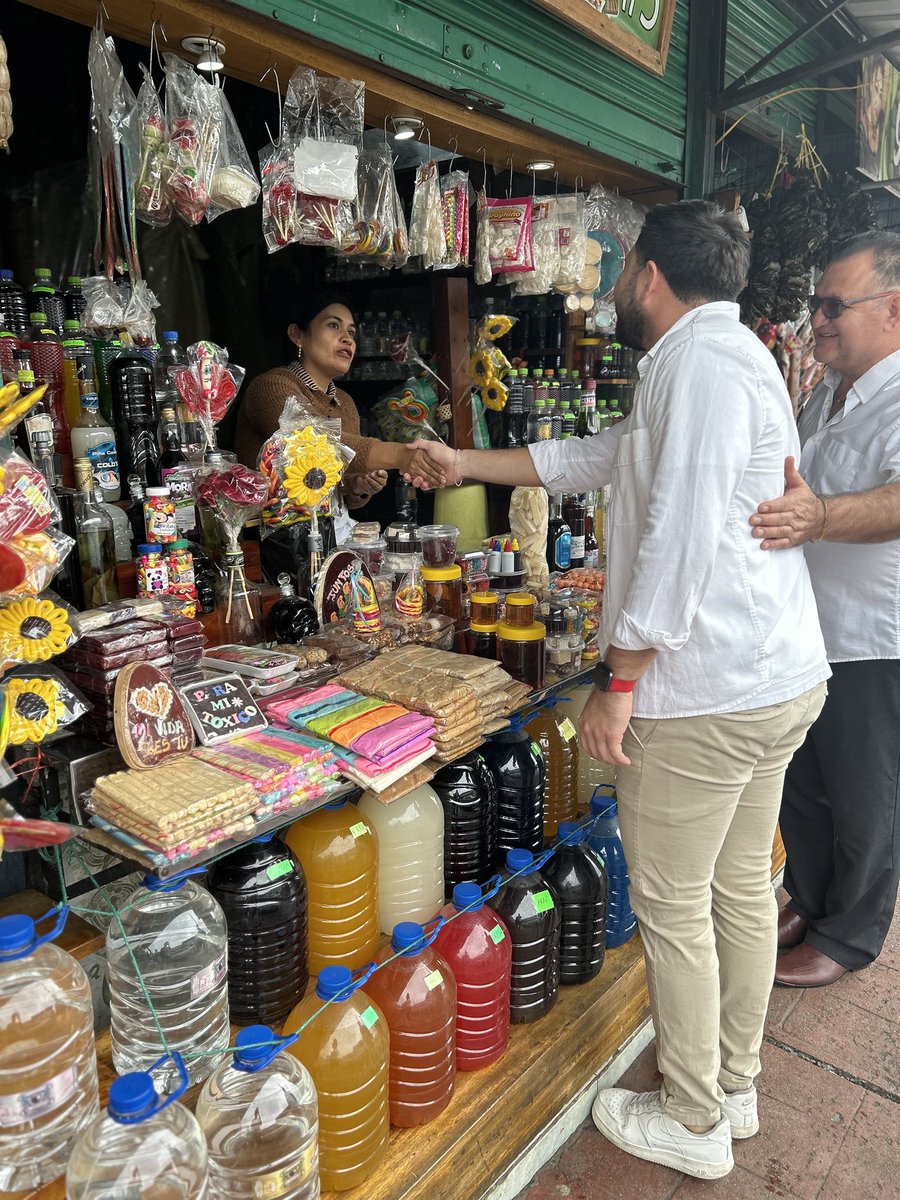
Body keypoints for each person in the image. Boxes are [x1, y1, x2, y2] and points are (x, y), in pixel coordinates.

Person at [408, 200, 830, 1180]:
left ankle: (693, 1118)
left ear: (650, 274)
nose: (612, 288)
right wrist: (463, 461)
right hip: (766, 679)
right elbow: (596, 458)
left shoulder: (699, 365)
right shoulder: (723, 357)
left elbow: (678, 537)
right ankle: (731, 1086)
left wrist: (621, 680)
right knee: (738, 888)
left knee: (677, 905)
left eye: (621, 267)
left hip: (710, 689)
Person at [749, 230, 900, 988]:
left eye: (835, 305)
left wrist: (819, 518)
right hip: (807, 628)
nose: (818, 319)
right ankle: (809, 899)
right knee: (802, 781)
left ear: (894, 309)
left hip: (872, 634)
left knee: (865, 792)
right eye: (817, 303)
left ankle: (851, 934)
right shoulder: (825, 392)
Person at [234, 294, 442, 551]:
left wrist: (358, 486)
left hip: (332, 534)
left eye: (351, 332)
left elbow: (337, 490)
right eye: (334, 325)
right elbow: (310, 443)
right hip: (277, 542)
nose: (347, 339)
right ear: (297, 335)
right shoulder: (272, 386)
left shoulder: (345, 403)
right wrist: (401, 455)